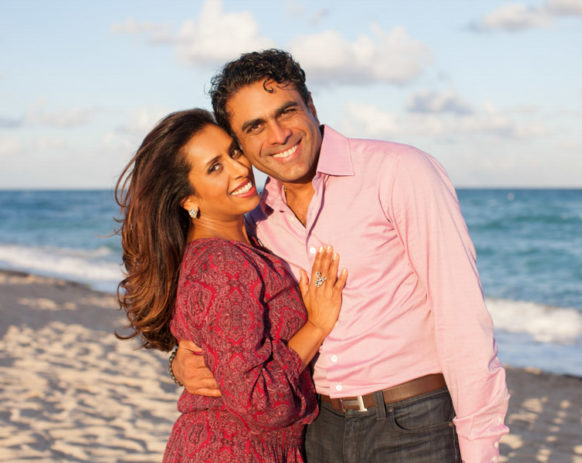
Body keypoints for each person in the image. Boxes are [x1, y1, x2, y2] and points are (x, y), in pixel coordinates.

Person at [173, 49, 509, 462]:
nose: (278, 135)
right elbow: (231, 323)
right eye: (255, 126)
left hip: (415, 422)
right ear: (240, 143)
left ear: (311, 105)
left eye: (287, 112)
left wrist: (480, 449)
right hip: (318, 431)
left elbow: (462, 317)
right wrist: (182, 362)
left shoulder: (399, 172)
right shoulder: (258, 220)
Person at [114, 108, 347, 462]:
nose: (240, 169)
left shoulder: (239, 244)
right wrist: (316, 326)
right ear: (189, 200)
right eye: (214, 167)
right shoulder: (223, 264)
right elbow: (258, 401)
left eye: (233, 152)